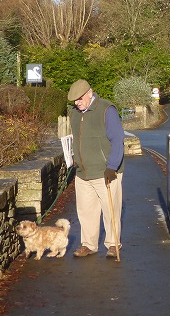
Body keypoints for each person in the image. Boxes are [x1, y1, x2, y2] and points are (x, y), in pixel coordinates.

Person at [67, 79, 125, 259]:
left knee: (111, 210)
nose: (77, 102)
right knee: (86, 211)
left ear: (89, 93)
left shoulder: (107, 110)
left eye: (80, 98)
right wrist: (75, 158)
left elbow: (118, 139)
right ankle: (89, 245)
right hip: (83, 173)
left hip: (106, 171)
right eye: (74, 100)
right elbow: (76, 139)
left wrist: (112, 166)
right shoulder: (74, 113)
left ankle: (113, 244)